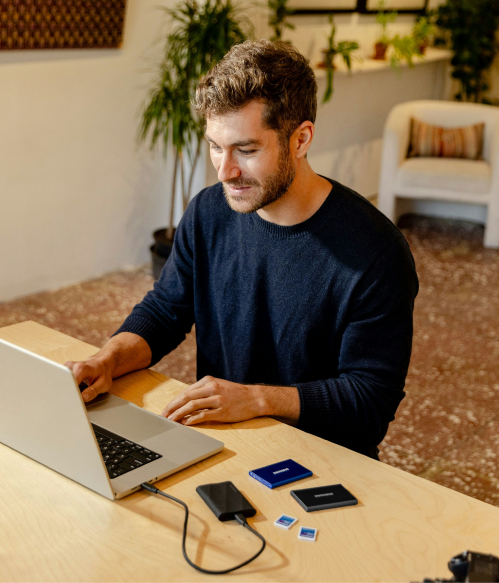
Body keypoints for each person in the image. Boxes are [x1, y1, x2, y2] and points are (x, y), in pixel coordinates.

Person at [66, 40, 418, 460]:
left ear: (301, 139)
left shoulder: (375, 253)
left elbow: (368, 401)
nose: (226, 170)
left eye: (246, 151)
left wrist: (257, 400)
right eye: (216, 146)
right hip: (226, 441)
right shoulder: (209, 212)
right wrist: (108, 359)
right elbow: (166, 311)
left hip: (322, 460)